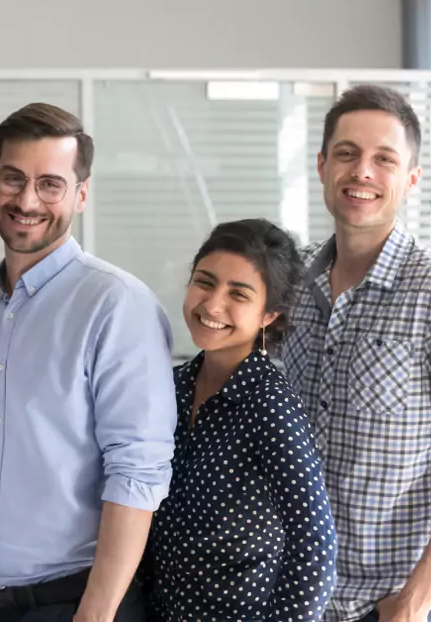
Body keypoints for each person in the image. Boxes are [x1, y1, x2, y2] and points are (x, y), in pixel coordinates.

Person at [0, 102, 177, 622]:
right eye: (13, 178)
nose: (27, 200)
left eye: (50, 184)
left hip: (80, 603)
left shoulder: (118, 305)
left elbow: (137, 472)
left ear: (80, 193)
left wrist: (95, 614)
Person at [281, 84, 431, 622]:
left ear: (410, 179)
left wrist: (414, 602)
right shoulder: (292, 283)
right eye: (346, 153)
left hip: (399, 606)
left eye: (384, 159)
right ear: (322, 165)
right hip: (305, 597)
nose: (361, 171)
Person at [141, 218, 337, 621]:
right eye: (205, 282)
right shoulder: (171, 387)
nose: (213, 305)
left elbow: (315, 551)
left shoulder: (270, 406)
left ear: (270, 314)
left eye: (239, 294)